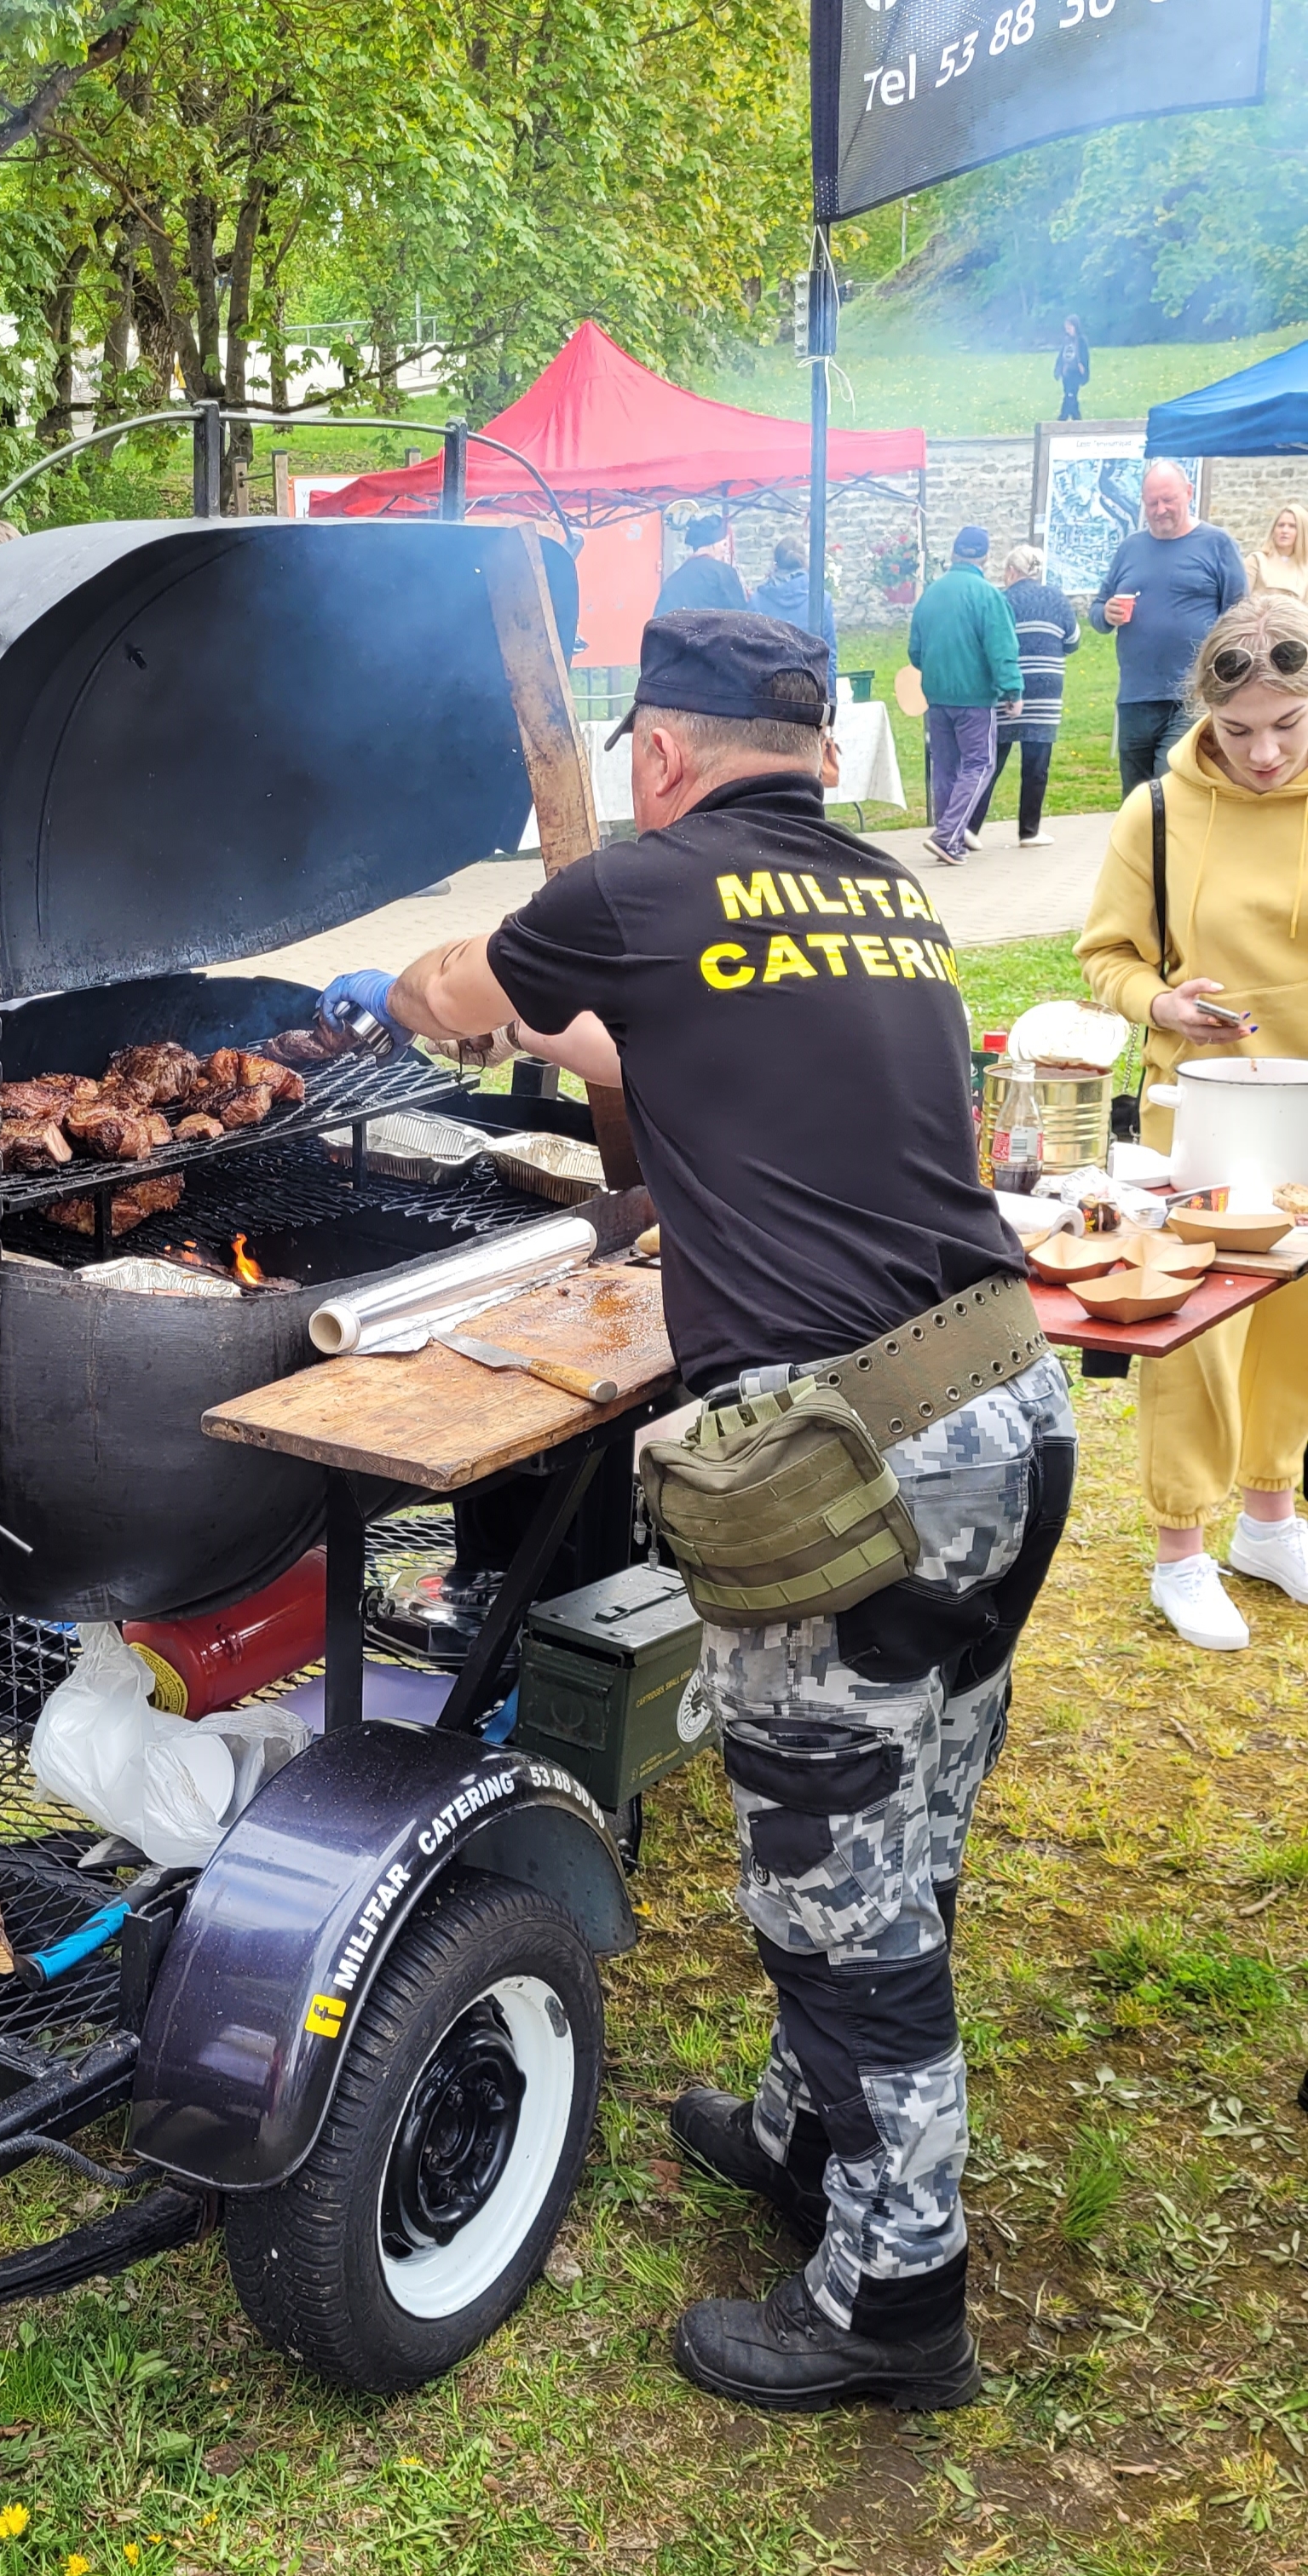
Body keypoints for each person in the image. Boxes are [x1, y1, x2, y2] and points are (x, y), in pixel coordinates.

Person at [320, 612, 1075, 2412]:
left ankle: (896, 2297)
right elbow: (647, 1041)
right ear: (813, 753)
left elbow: (475, 996)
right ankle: (813, 2139)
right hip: (1006, 1411)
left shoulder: (648, 877)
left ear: (657, 754)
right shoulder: (885, 893)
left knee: (838, 1896)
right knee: (907, 1825)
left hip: (859, 1459)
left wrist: (388, 994)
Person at [1077, 591, 1308, 1651]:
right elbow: (1107, 959)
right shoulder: (1155, 814)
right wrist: (1161, 1003)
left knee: (1295, 1327)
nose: (1264, 753)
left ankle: (1271, 1516)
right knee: (1199, 1328)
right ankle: (1182, 1549)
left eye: (1289, 723)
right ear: (1204, 718)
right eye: (1239, 730)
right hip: (1204, 1109)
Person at [1092, 463, 1246, 795]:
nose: (1160, 510)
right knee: (1135, 797)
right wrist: (1106, 613)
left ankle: (1174, 847)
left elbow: (1239, 618)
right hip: (1136, 696)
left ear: (1188, 493)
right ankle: (1139, 848)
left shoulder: (1217, 544)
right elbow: (1097, 610)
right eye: (1151, 503)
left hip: (1193, 694)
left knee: (1170, 782)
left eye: (1168, 500)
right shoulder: (1130, 548)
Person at [908, 526, 1023, 866]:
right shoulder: (988, 596)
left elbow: (915, 651)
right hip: (974, 698)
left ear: (954, 553)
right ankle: (947, 835)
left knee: (945, 767)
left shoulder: (930, 595)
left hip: (937, 696)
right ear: (985, 557)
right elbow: (1001, 647)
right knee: (979, 763)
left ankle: (951, 836)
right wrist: (1012, 689)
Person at [967, 543, 1079, 849]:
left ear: (1012, 572)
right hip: (1046, 690)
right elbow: (1073, 640)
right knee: (1036, 764)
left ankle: (970, 827)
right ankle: (1029, 831)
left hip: (1008, 688)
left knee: (993, 761)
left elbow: (985, 643)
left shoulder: (1000, 600)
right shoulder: (1057, 598)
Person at [750, 536, 838, 693]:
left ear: (775, 564)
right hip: (813, 692)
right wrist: (830, 698)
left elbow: (752, 656)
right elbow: (829, 656)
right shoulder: (821, 600)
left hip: (770, 695)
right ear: (804, 562)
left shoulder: (757, 601)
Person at [655, 512, 746, 615]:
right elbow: (742, 616)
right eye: (724, 543)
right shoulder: (723, 573)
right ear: (714, 544)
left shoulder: (673, 581)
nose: (725, 548)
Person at [1245, 502, 1308, 601]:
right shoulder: (1256, 560)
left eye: (1292, 526)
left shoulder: (1305, 569)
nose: (1284, 530)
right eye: (1281, 525)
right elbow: (1238, 603)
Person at [1054, 317, 1091, 422]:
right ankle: (1076, 417)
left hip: (1076, 372)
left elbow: (1085, 357)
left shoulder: (1081, 341)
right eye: (1066, 328)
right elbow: (1061, 356)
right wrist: (1058, 370)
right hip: (1067, 372)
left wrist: (1084, 369)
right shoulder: (1066, 341)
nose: (1068, 330)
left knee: (1071, 394)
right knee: (1069, 394)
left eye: (1069, 328)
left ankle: (1063, 417)